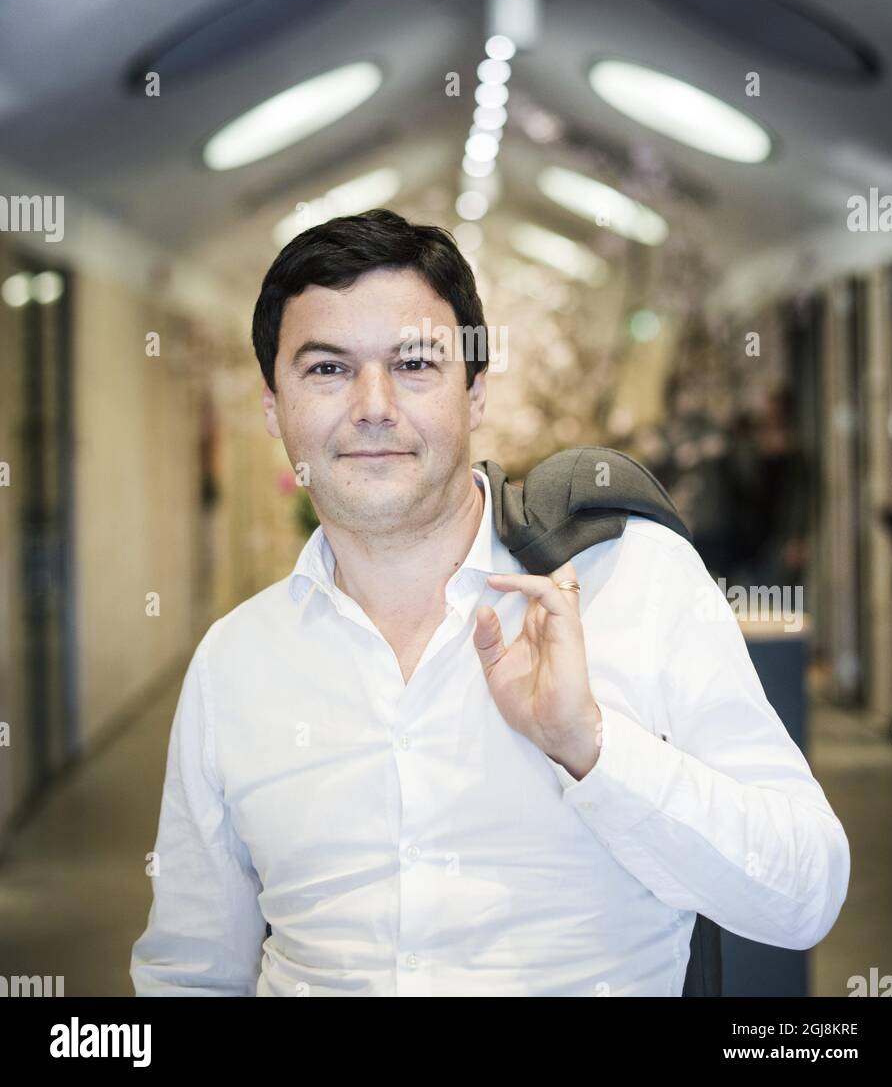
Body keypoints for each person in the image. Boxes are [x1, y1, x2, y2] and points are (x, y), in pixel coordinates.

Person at [130, 208, 849, 997]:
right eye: (327, 369)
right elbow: (193, 972)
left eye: (415, 364)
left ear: (475, 393)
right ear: (274, 406)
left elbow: (804, 895)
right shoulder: (236, 663)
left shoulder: (629, 579)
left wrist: (594, 748)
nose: (374, 405)